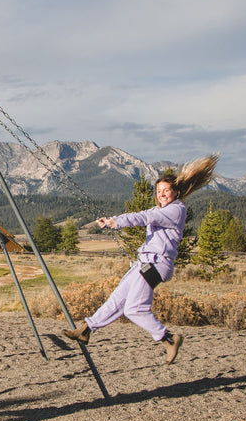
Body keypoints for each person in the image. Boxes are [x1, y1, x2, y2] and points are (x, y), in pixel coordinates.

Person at [63, 155, 217, 365]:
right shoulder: (161, 209)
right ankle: (86, 330)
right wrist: (110, 223)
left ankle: (169, 339)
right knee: (118, 298)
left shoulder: (176, 210)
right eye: (159, 191)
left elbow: (144, 217)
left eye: (166, 191)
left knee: (134, 309)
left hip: (156, 264)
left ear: (176, 192)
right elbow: (146, 215)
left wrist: (116, 221)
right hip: (144, 263)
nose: (161, 195)